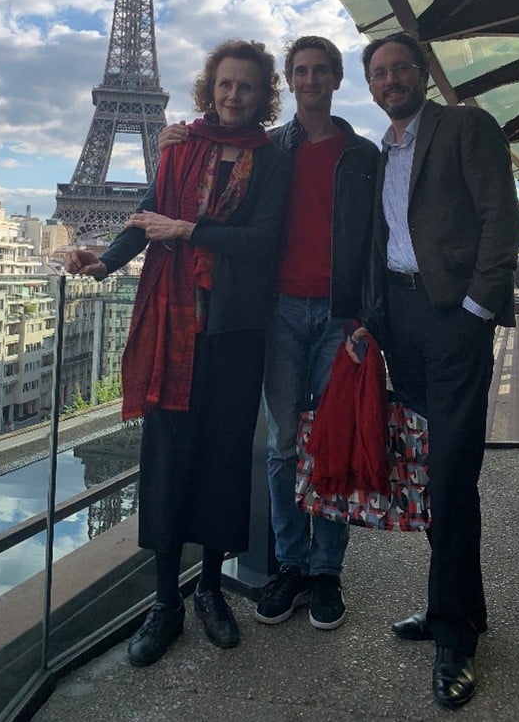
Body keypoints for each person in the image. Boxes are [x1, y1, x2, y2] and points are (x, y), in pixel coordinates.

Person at [66, 39, 291, 667]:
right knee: (167, 460)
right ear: (209, 87)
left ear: (261, 95)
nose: (233, 95)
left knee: (222, 464)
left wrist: (191, 231)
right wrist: (105, 263)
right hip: (174, 330)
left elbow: (264, 240)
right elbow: (145, 217)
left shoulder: (270, 161)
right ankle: (165, 600)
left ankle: (211, 591)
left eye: (246, 86)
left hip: (233, 333)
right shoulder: (177, 145)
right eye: (225, 84)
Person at [161, 35, 379, 631]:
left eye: (319, 71)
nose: (309, 80)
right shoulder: (269, 147)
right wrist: (174, 136)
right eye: (299, 71)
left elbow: (376, 243)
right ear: (290, 79)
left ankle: (326, 573)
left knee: (331, 442)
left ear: (335, 79)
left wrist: (365, 317)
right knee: (284, 446)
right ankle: (291, 563)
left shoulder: (361, 156)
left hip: (338, 316)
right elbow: (209, 166)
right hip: (277, 310)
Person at [360, 31, 519, 709]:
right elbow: (383, 241)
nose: (392, 79)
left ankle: (454, 635)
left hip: (452, 318)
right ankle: (456, 605)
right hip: (401, 320)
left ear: (424, 72)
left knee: (451, 473)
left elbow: (502, 218)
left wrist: (475, 309)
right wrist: (372, 320)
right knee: (436, 471)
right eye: (380, 72)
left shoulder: (465, 125)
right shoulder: (381, 152)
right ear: (370, 86)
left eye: (401, 67)